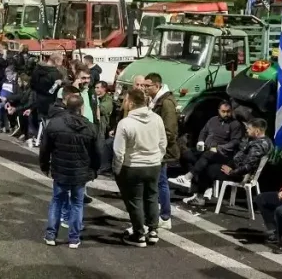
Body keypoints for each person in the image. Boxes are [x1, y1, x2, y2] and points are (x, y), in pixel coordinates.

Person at [39, 92, 101, 249]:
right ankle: (74, 238)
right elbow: (97, 152)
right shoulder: (90, 127)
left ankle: (51, 235)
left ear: (66, 105)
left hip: (60, 170)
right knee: (77, 204)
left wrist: (44, 165)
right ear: (81, 107)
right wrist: (94, 169)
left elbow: (45, 148)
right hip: (80, 172)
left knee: (57, 201)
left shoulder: (55, 124)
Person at [113, 88, 166, 247]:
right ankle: (153, 231)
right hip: (154, 164)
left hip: (133, 166)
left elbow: (118, 151)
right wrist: (157, 158)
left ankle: (139, 234)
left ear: (130, 102)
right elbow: (163, 143)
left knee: (135, 200)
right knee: (152, 197)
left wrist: (117, 169)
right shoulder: (157, 119)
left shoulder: (125, 123)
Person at [183, 118, 272, 206]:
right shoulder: (262, 140)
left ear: (257, 131)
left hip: (239, 174)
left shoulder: (258, 146)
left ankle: (199, 196)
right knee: (210, 154)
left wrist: (232, 172)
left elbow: (247, 166)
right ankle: (195, 182)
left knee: (209, 169)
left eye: (249, 129)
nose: (247, 130)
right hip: (235, 164)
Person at [171, 101, 244, 197]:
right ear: (219, 111)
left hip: (223, 154)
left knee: (208, 154)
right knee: (186, 154)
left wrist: (219, 147)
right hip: (207, 150)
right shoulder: (212, 120)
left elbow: (235, 142)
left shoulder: (235, 124)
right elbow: (203, 132)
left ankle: (188, 177)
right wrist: (200, 141)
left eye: (228, 111)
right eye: (223, 111)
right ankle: (195, 182)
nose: (226, 114)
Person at [136, 73, 178, 230]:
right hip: (155, 149)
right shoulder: (155, 101)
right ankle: (157, 214)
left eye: (148, 86)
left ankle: (165, 217)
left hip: (161, 150)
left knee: (161, 182)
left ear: (157, 86)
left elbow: (169, 131)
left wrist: (158, 147)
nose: (145, 89)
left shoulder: (166, 103)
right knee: (156, 182)